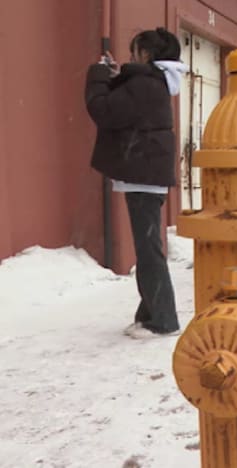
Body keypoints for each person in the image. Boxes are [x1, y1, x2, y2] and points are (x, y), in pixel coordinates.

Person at [85, 28, 189, 339]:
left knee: (148, 251)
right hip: (146, 172)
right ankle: (149, 315)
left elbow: (104, 111)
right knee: (147, 249)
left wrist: (98, 75)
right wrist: (116, 78)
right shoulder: (153, 83)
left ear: (147, 54)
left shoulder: (146, 83)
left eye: (135, 51)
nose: (132, 56)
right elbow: (123, 107)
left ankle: (163, 321)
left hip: (143, 173)